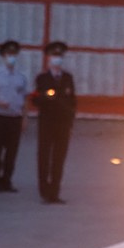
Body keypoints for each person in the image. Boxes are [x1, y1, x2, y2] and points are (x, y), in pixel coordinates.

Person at [32, 41, 76, 204]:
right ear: (48, 58)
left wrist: (71, 122)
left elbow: (72, 102)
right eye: (54, 56)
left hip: (63, 124)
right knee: (44, 157)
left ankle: (55, 192)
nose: (57, 59)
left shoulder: (67, 78)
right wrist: (45, 96)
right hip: (47, 123)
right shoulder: (42, 78)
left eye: (59, 56)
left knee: (59, 158)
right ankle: (44, 191)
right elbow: (35, 100)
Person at [0, 40, 29, 193]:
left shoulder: (21, 76)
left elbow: (25, 99)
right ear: (3, 56)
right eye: (9, 54)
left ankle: (7, 180)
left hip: (15, 117)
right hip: (0, 116)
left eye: (14, 54)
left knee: (12, 152)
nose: (12, 57)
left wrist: (25, 118)